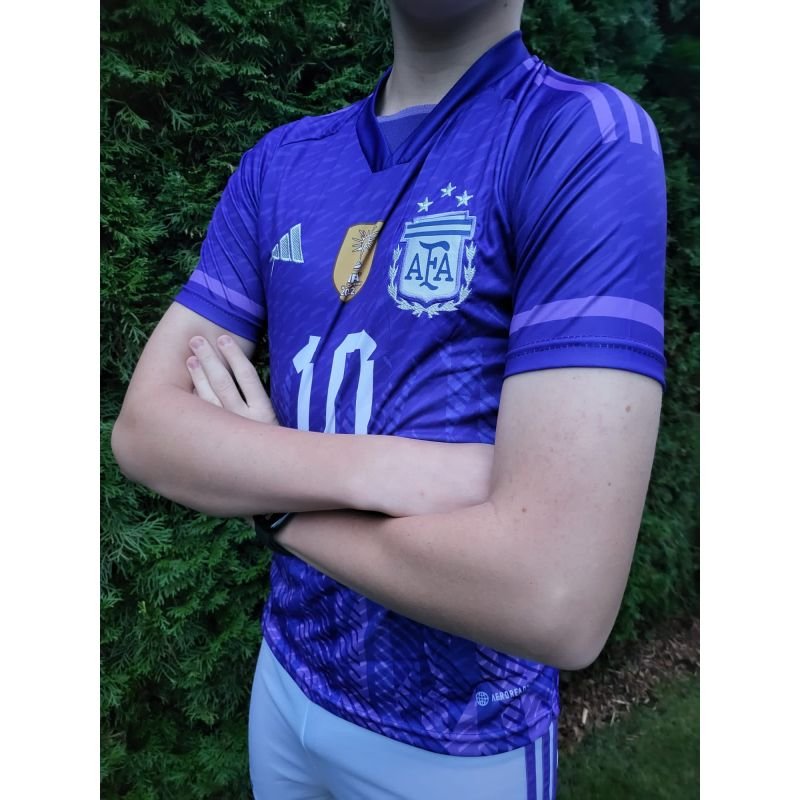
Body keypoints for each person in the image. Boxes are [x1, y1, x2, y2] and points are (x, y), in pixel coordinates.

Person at [111, 0, 666, 796]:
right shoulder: (279, 162)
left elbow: (557, 599)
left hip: (459, 740)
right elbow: (145, 429)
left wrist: (276, 504)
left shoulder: (578, 136)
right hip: (286, 681)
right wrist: (388, 469)